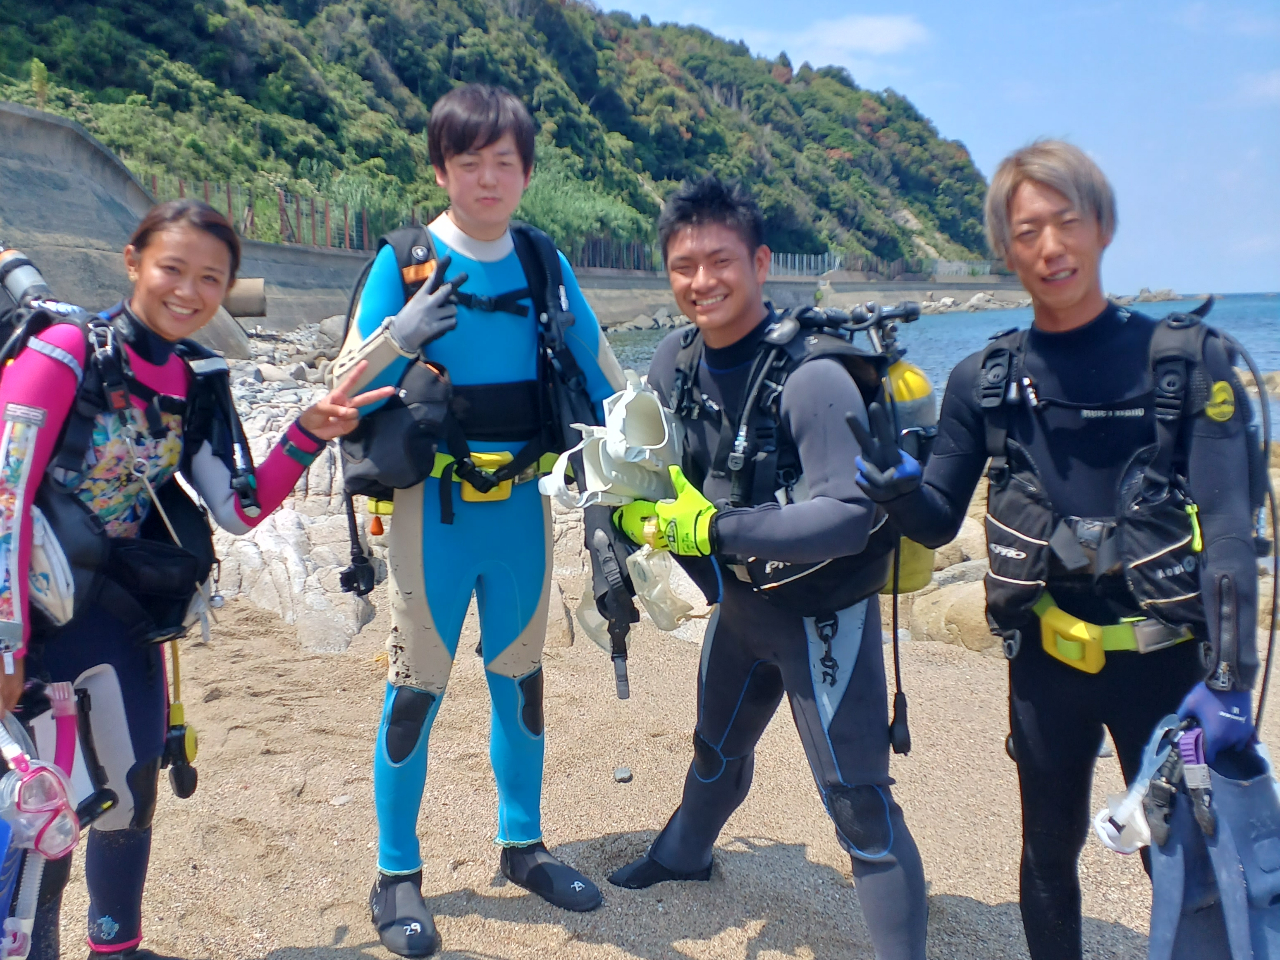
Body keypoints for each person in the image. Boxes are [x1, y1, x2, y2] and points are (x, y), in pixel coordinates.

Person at [849, 140, 1260, 960]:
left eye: (1066, 221)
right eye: (1026, 229)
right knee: (1046, 855)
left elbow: (1230, 534)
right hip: (1045, 667)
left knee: (1187, 867)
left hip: (1168, 672)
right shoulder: (983, 381)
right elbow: (937, 520)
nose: (1048, 245)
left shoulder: (1185, 366)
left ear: (1103, 227)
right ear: (1004, 249)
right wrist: (896, 490)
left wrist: (1228, 684)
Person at [0, 200, 393, 960]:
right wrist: (6, 643)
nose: (188, 290)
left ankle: (115, 945)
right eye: (172, 268)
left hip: (123, 621)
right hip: (37, 626)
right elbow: (6, 496)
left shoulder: (195, 384)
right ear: (133, 262)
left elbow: (239, 509)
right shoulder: (62, 351)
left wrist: (309, 432)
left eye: (210, 278)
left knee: (131, 792)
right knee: (39, 813)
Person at [330, 84, 625, 957]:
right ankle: (397, 874)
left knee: (521, 680)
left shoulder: (541, 260)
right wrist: (400, 333)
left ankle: (522, 846)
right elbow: (341, 386)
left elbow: (603, 371)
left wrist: (653, 463)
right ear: (441, 168)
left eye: (505, 162)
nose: (488, 179)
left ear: (527, 172)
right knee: (416, 688)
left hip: (523, 511)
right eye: (470, 162)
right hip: (435, 511)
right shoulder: (408, 260)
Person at [607, 176, 929, 960]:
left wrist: (713, 528)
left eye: (720, 261)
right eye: (683, 265)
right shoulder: (675, 358)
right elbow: (643, 469)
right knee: (715, 750)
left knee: (857, 803)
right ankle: (684, 856)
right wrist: (618, 519)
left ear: (758, 262)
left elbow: (849, 520)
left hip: (823, 612)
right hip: (741, 609)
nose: (701, 281)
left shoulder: (812, 376)